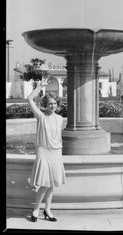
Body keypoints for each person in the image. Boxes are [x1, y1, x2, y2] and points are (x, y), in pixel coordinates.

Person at [27, 76, 66, 222]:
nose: (53, 106)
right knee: (45, 184)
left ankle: (47, 210)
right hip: (44, 153)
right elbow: (30, 99)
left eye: (55, 103)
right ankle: (37, 209)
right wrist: (41, 86)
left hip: (56, 153)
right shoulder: (41, 116)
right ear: (45, 104)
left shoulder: (61, 118)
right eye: (50, 103)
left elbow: (58, 138)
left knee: (52, 184)